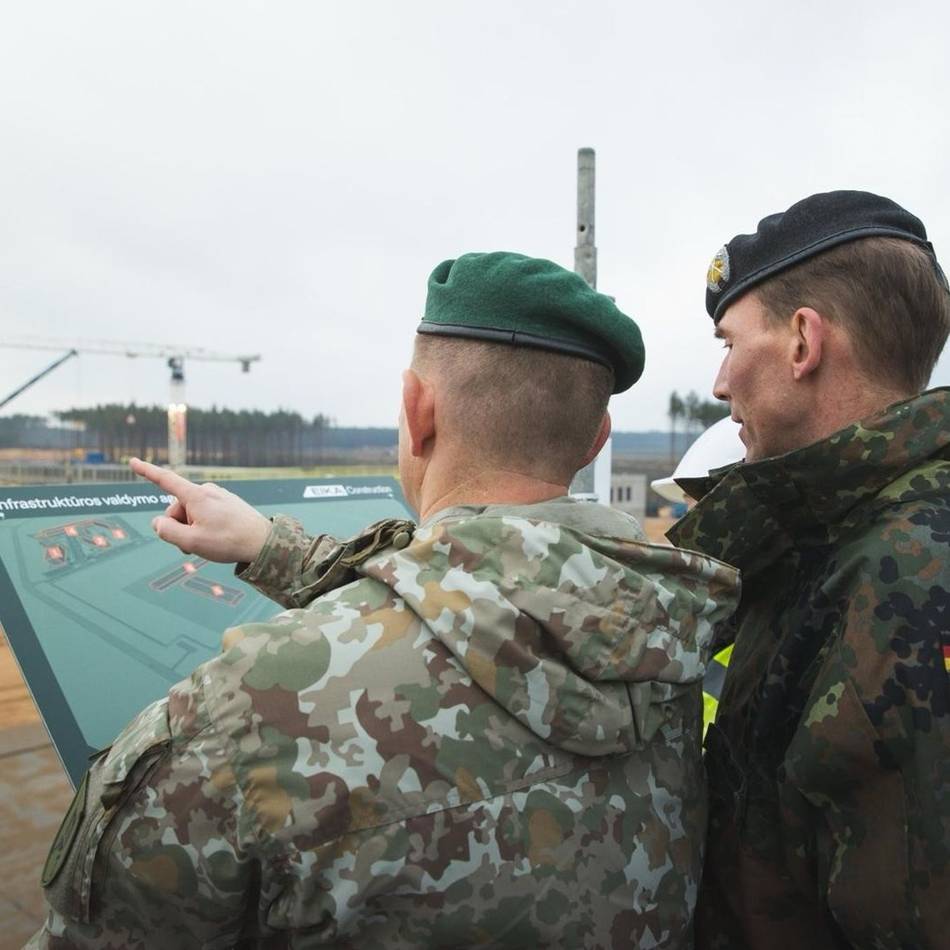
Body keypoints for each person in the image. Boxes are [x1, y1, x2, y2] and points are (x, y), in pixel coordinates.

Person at [31, 251, 739, 948]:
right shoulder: (668, 631)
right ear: (595, 441)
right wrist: (268, 545)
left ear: (416, 409)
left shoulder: (252, 708)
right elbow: (491, 586)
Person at [667, 191, 950, 949]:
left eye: (730, 343)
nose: (721, 383)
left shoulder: (904, 578)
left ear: (803, 342)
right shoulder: (840, 539)